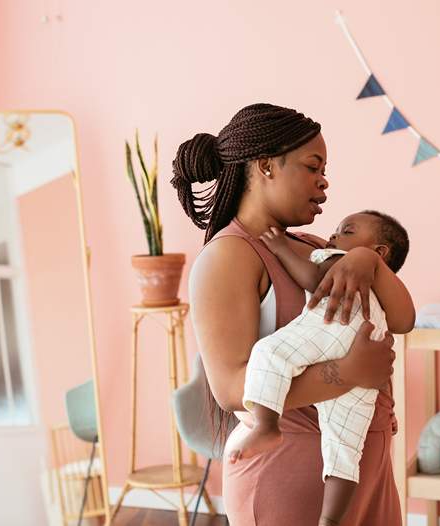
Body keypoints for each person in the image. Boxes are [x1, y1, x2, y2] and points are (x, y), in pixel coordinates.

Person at [171, 103, 415, 525]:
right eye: (311, 166)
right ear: (266, 165)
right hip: (289, 478)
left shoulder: (310, 243)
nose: (324, 182)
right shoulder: (228, 257)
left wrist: (367, 261)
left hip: (361, 469)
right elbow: (231, 387)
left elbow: (399, 316)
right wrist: (348, 373)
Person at [230, 211, 410, 526]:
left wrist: (282, 249)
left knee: (269, 353)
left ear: (380, 253)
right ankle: (331, 519)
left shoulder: (345, 261)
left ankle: (266, 425)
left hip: (330, 333)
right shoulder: (379, 285)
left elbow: (314, 279)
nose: (334, 236)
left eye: (347, 230)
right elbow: (403, 322)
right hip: (363, 366)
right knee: (344, 449)